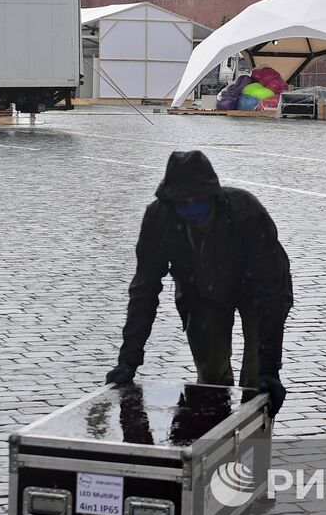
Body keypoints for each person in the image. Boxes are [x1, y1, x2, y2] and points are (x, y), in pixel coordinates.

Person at [105, 150, 292, 416]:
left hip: (257, 293)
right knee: (211, 377)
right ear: (172, 203)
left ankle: (253, 443)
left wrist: (270, 370)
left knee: (256, 380)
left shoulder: (246, 212)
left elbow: (271, 292)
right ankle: (212, 438)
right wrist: (128, 361)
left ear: (213, 198)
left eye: (200, 203)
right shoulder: (159, 218)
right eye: (184, 204)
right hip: (201, 292)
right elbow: (144, 290)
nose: (194, 211)